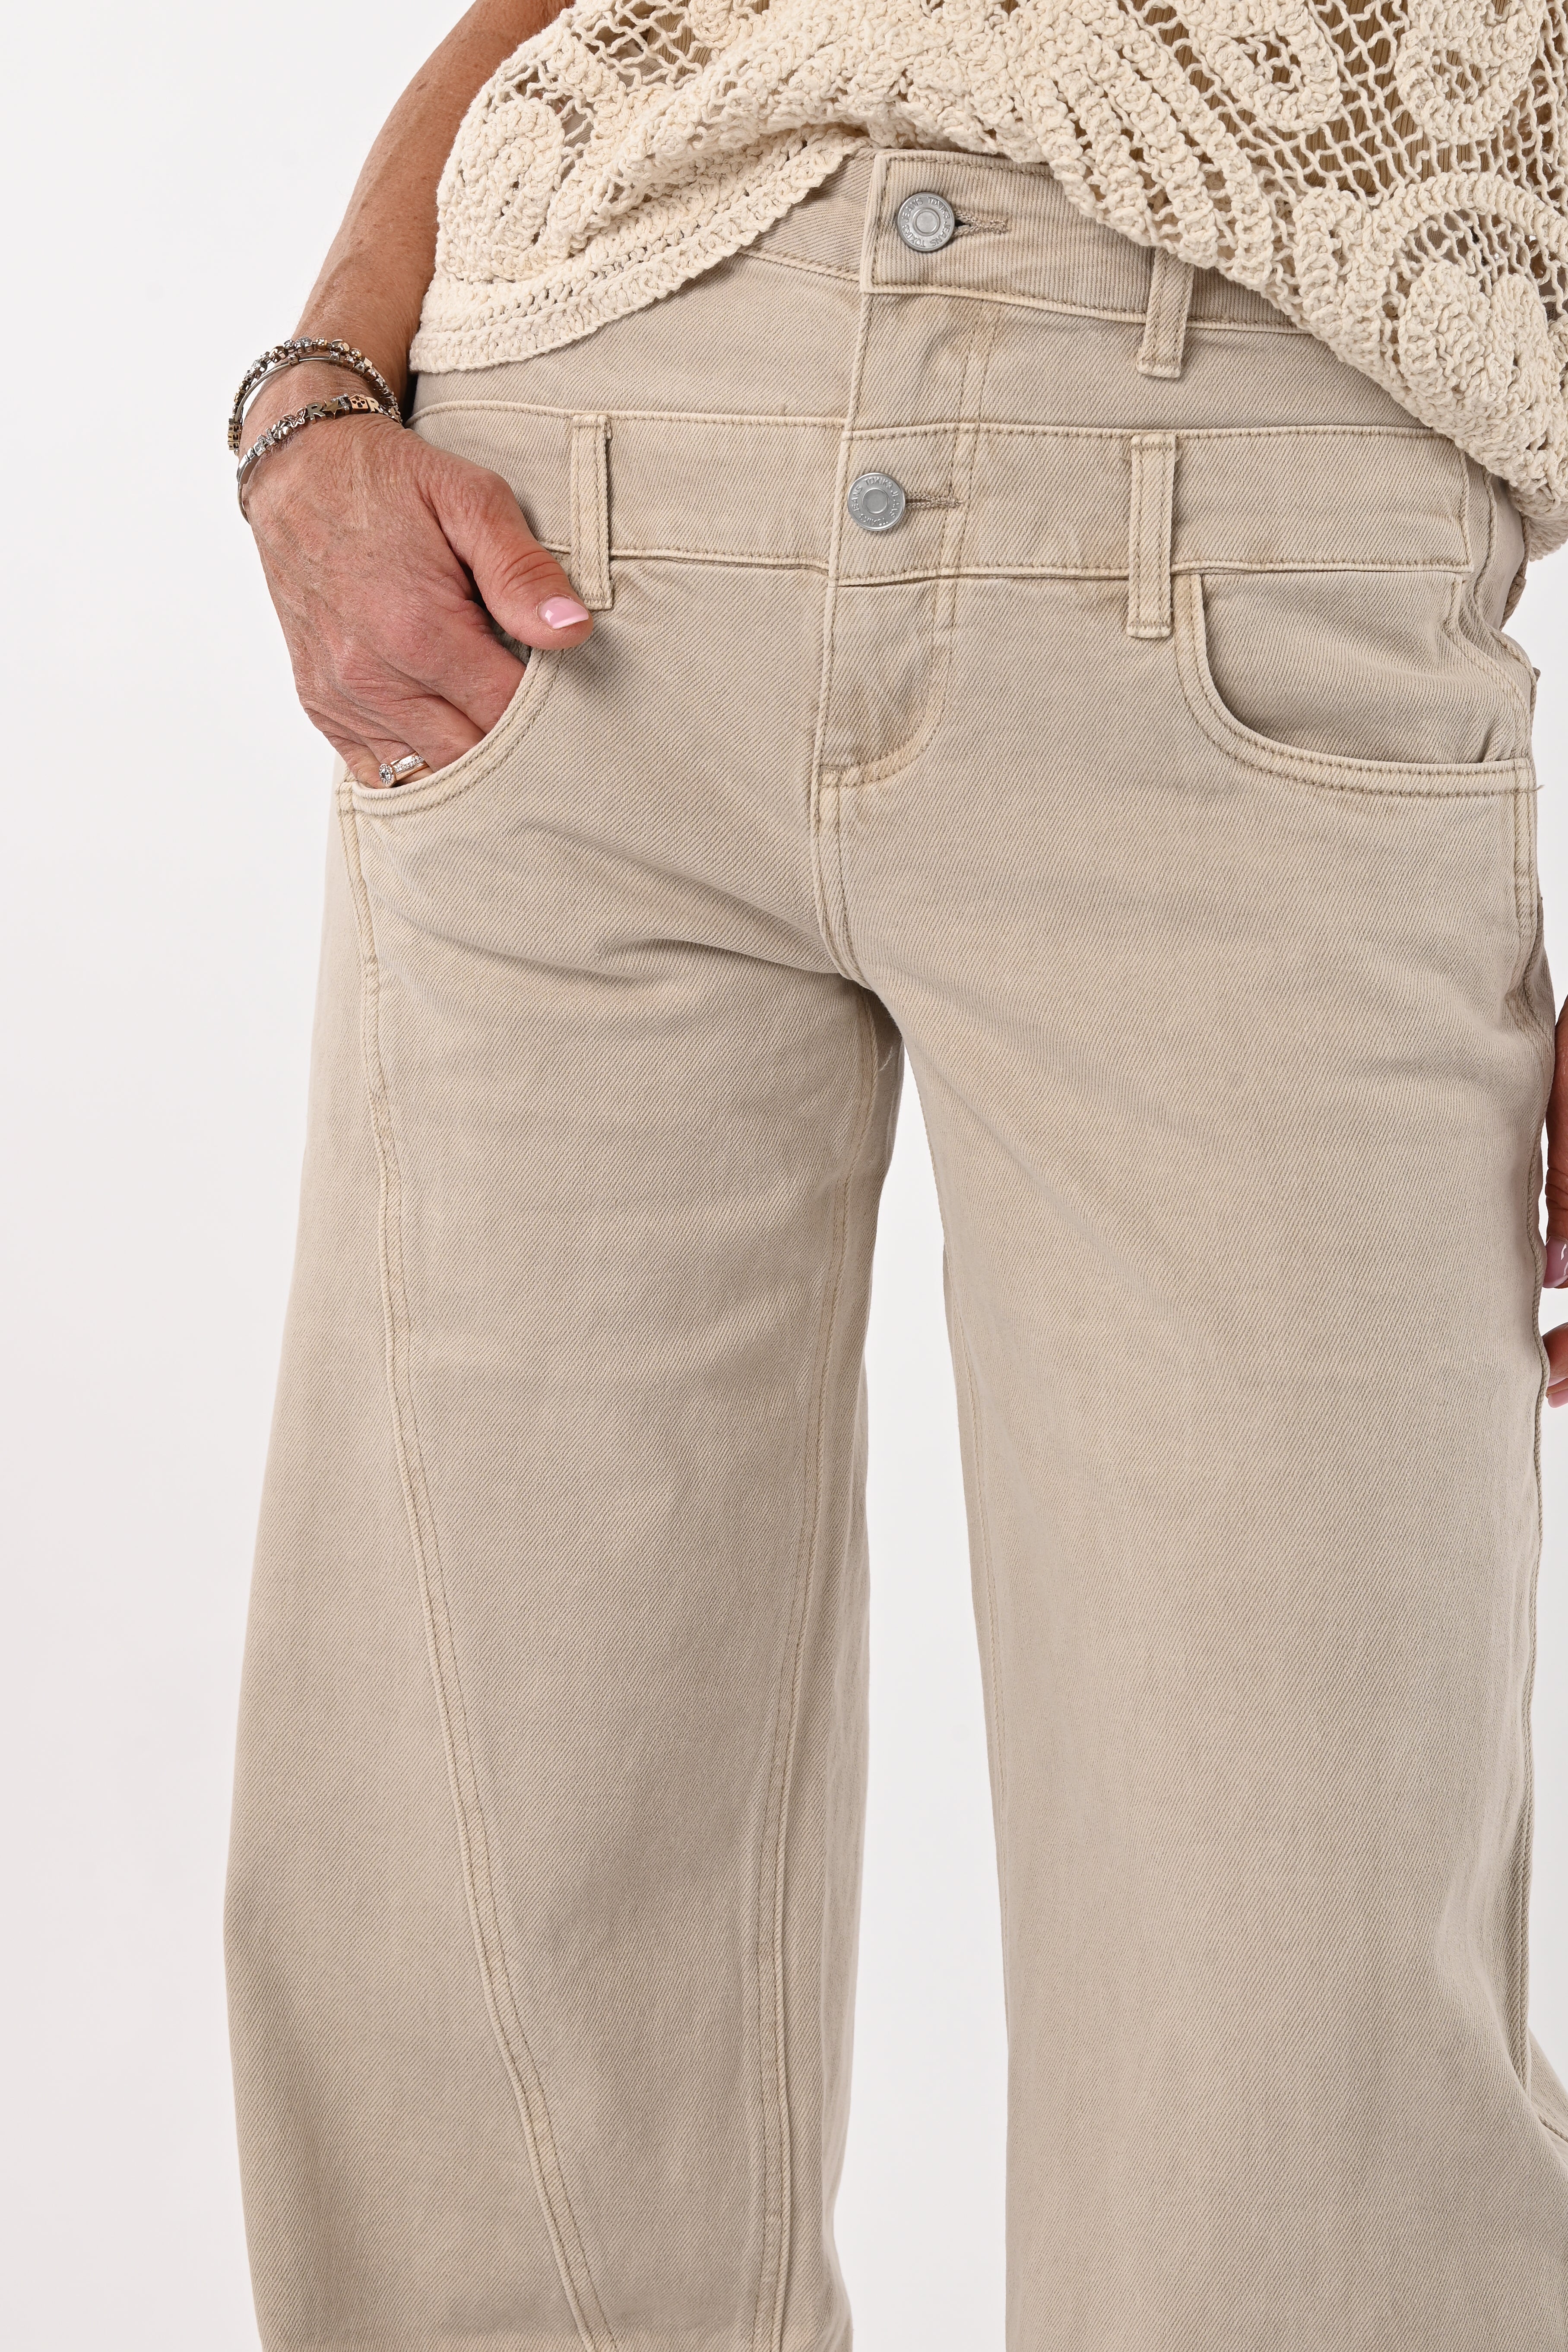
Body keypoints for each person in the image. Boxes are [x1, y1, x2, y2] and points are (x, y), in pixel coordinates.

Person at [226, 4, 1568, 2346]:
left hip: (1259, 522)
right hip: (566, 535)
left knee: (1298, 2091)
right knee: (476, 2011)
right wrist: (318, 397)